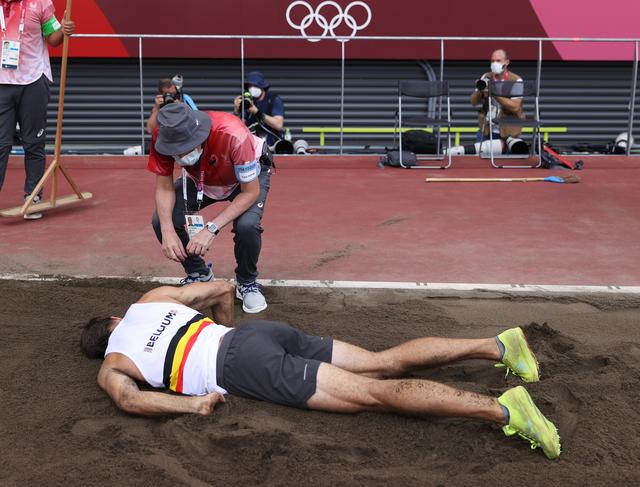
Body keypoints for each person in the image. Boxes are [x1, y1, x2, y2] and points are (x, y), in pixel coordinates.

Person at [80, 281, 561, 460]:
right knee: (381, 362)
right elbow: (223, 288)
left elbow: (129, 399)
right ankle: (498, 346)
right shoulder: (148, 300)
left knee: (376, 394)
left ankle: (504, 410)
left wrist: (194, 403)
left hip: (241, 364)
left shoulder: (113, 367)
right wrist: (226, 332)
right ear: (115, 321)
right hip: (253, 336)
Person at [148, 103, 272, 313]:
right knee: (161, 220)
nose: (179, 155)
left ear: (199, 137)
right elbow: (164, 186)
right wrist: (168, 230)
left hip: (244, 180)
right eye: (175, 152)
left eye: (185, 149)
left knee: (247, 226)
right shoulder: (162, 138)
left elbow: (249, 192)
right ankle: (199, 274)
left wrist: (211, 228)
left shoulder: (234, 135)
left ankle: (246, 282)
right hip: (201, 180)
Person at [0, 0, 74, 220]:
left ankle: (33, 197)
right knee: (1, 145)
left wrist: (63, 30)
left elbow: (53, 39)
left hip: (33, 81)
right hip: (2, 83)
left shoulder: (39, 3)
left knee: (33, 143)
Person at [470, 49, 525, 152]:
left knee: (507, 163)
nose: (495, 63)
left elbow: (515, 106)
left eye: (498, 60)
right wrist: (480, 91)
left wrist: (494, 94)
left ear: (507, 62)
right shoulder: (486, 77)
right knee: (480, 162)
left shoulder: (516, 80)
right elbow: (473, 102)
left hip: (508, 131)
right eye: (492, 61)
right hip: (486, 130)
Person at [234, 71, 285, 148]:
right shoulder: (247, 101)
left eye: (255, 85)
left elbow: (278, 125)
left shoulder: (273, 100)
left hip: (272, 145)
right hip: (252, 146)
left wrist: (256, 112)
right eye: (250, 86)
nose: (252, 88)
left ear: (262, 86)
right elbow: (237, 129)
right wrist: (237, 111)